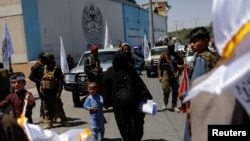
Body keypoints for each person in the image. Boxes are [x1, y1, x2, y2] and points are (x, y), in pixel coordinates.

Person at [103, 50, 153, 141]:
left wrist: (144, 96)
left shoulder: (130, 70)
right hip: (119, 105)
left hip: (133, 103)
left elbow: (139, 84)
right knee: (124, 125)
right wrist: (106, 101)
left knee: (136, 125)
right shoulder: (110, 72)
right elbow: (106, 86)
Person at [182, 27, 219, 141]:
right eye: (191, 42)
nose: (192, 45)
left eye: (195, 41)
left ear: (206, 41)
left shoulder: (201, 59)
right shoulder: (213, 56)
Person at [40, 52, 69, 129]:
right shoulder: (44, 68)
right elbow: (41, 79)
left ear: (51, 59)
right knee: (47, 108)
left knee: (58, 107)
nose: (46, 60)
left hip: (54, 92)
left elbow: (60, 81)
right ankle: (49, 122)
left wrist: (59, 92)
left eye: (47, 58)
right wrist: (41, 88)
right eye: (45, 58)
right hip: (45, 93)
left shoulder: (57, 68)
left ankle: (64, 120)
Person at [158, 44, 184, 112]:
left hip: (175, 74)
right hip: (166, 73)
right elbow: (159, 66)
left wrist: (180, 66)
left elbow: (181, 63)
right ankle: (165, 103)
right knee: (166, 89)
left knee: (175, 91)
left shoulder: (177, 55)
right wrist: (160, 75)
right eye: (170, 47)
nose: (171, 48)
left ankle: (174, 105)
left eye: (172, 47)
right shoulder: (164, 55)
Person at [29, 52, 46, 123]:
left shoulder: (43, 65)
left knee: (45, 101)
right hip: (40, 87)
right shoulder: (37, 66)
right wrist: (39, 81)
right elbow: (31, 77)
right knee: (43, 101)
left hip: (46, 86)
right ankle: (42, 116)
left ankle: (45, 115)